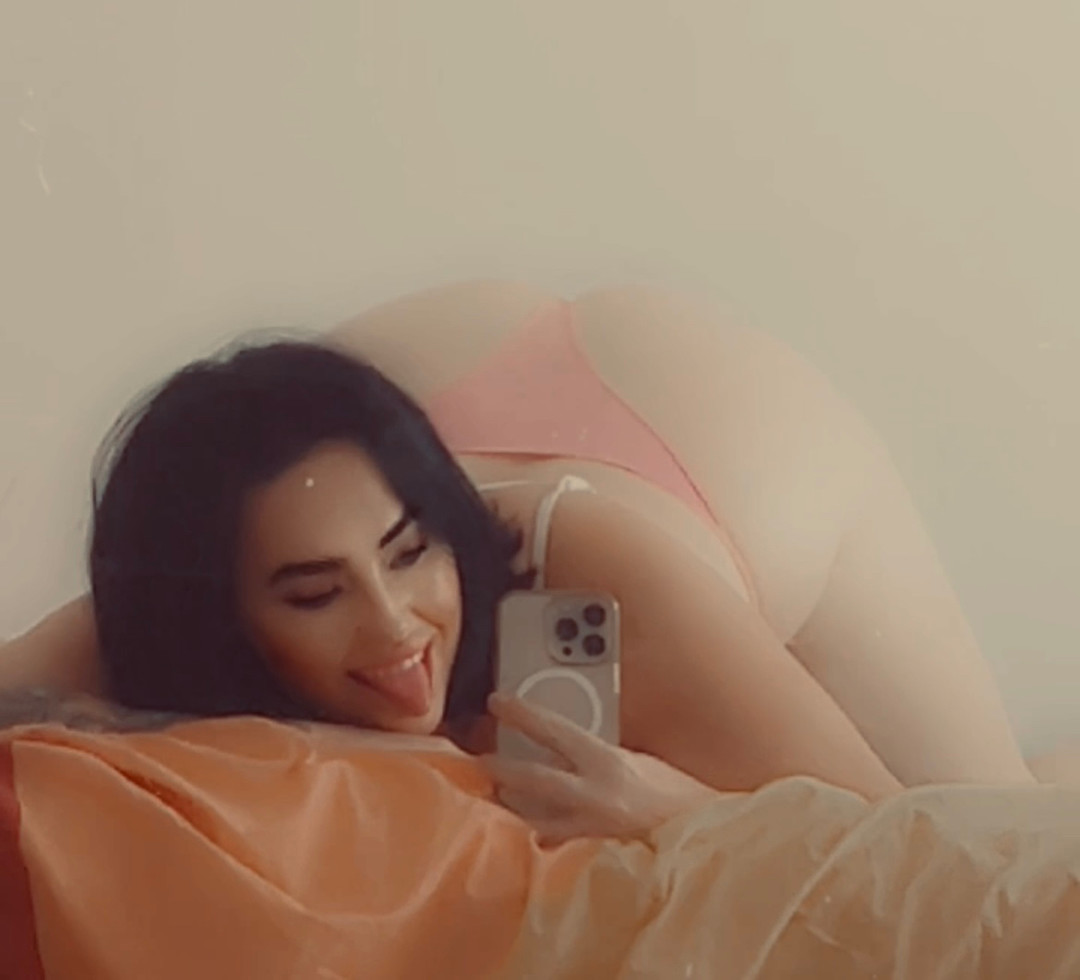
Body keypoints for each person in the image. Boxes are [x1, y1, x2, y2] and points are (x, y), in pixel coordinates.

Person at [0, 282, 1036, 811]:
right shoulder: (191, 584)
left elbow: (893, 844)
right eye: (315, 596)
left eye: (408, 558)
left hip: (721, 432)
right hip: (421, 393)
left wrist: (687, 810)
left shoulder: (587, 570)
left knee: (1001, 831)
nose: (393, 625)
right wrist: (361, 750)